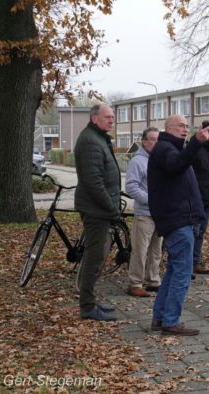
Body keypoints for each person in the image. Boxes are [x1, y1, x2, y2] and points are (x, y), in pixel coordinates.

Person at [147, 114, 209, 336]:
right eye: (180, 126)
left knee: (174, 270)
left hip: (181, 219)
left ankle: (161, 317)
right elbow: (176, 165)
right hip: (177, 220)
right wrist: (196, 142)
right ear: (168, 128)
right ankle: (170, 321)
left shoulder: (173, 148)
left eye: (187, 126)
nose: (185, 129)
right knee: (182, 272)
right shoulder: (166, 149)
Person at [74, 103, 121, 321]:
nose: (112, 120)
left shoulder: (98, 138)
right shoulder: (90, 141)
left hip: (100, 208)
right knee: (94, 257)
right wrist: (111, 208)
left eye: (113, 117)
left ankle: (90, 302)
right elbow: (93, 181)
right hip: (96, 210)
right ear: (95, 119)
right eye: (107, 117)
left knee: (96, 255)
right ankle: (87, 307)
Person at [124, 127, 163, 297]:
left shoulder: (159, 159)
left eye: (158, 139)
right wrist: (152, 200)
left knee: (156, 249)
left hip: (160, 213)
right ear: (144, 141)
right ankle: (135, 283)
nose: (156, 143)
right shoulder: (137, 161)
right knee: (140, 250)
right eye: (152, 139)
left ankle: (153, 280)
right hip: (145, 213)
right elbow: (131, 187)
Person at [191, 120, 209, 275]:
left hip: (208, 197)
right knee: (193, 231)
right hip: (196, 199)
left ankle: (195, 261)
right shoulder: (196, 150)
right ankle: (189, 263)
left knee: (201, 232)